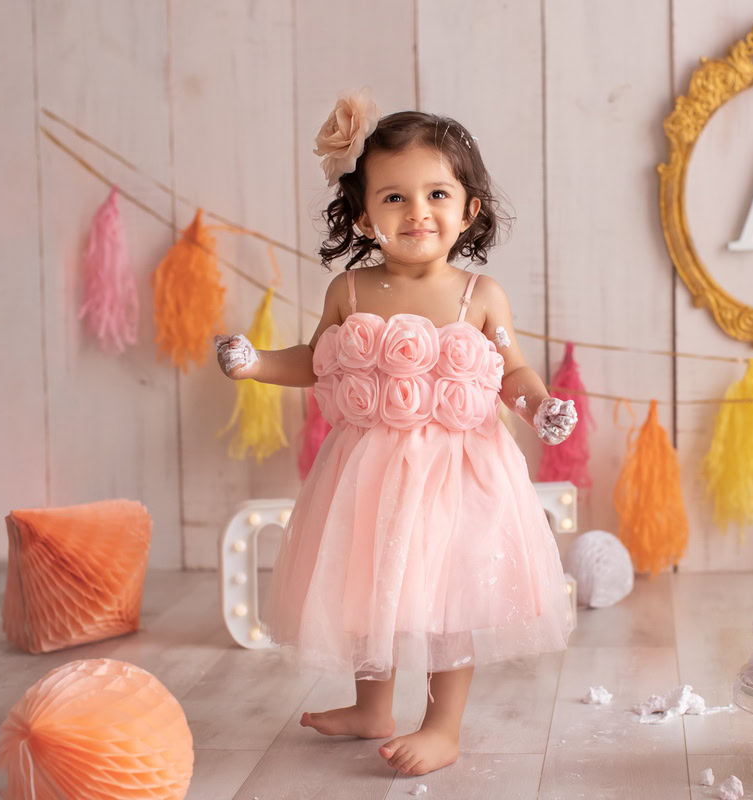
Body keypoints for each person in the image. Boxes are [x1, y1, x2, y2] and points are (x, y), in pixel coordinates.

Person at [214, 89, 578, 777]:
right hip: (367, 470)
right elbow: (315, 362)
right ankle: (370, 707)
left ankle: (443, 725)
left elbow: (514, 372)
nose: (418, 213)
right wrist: (257, 362)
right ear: (361, 214)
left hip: (460, 472)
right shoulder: (350, 293)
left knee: (449, 597)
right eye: (394, 198)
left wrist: (539, 407)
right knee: (366, 585)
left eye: (437, 194)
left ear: (469, 208)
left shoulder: (480, 295)